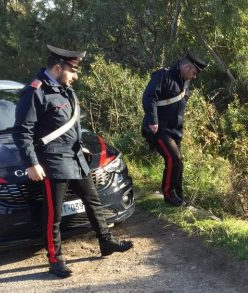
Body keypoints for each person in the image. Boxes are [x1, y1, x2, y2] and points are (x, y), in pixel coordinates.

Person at [13, 44, 133, 278]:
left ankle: (105, 242)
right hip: (53, 163)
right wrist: (31, 163)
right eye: (73, 71)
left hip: (76, 158)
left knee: (93, 201)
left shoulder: (66, 90)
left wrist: (81, 144)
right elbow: (22, 131)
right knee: (53, 215)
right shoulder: (35, 92)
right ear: (58, 68)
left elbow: (69, 123)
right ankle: (55, 259)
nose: (76, 76)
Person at [141, 52, 208, 206]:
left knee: (179, 162)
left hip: (175, 130)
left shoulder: (184, 81)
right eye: (194, 72)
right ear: (186, 66)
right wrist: (153, 120)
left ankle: (178, 194)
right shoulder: (162, 75)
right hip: (159, 129)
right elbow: (149, 97)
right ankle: (169, 194)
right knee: (173, 158)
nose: (194, 76)